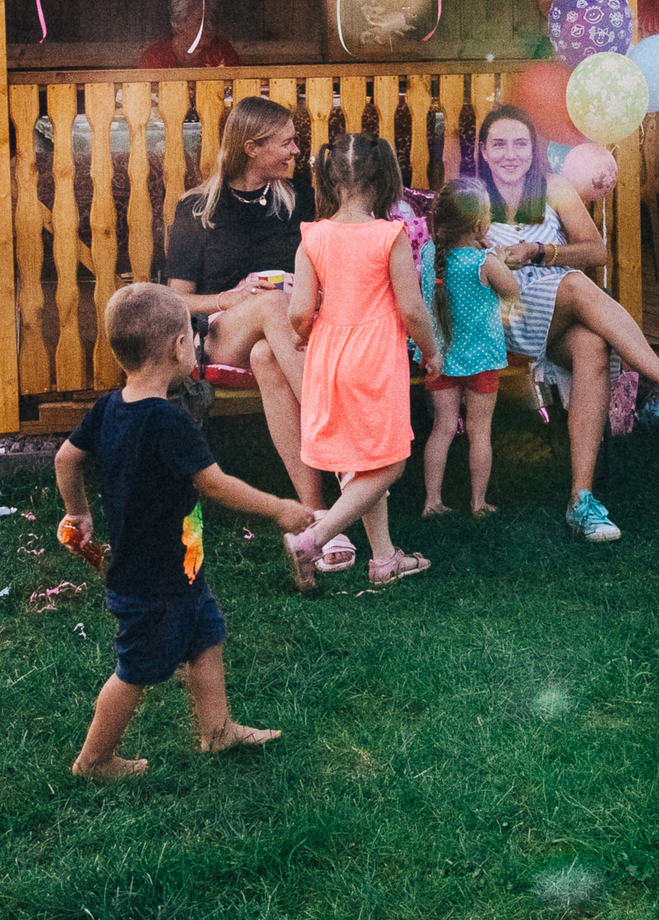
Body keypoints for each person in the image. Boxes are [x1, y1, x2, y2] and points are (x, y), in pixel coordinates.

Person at [57, 282, 314, 780]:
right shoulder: (167, 421)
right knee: (135, 671)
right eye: (192, 339)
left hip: (178, 568)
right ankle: (94, 759)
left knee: (206, 638)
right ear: (180, 347)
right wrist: (280, 508)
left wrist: (77, 512)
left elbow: (66, 459)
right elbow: (215, 484)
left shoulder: (110, 407)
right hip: (154, 582)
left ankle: (217, 732)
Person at [475, 105, 659, 544]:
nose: (510, 154)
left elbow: (596, 250)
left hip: (556, 308)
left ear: (533, 149)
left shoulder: (553, 188)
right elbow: (455, 259)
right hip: (503, 313)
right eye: (499, 145)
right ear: (484, 151)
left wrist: (540, 251)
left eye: (520, 144)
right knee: (577, 285)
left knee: (592, 347)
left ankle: (581, 500)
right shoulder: (472, 197)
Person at [154, 96, 348, 567]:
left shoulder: (298, 199)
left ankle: (317, 516)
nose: (296, 151)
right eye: (286, 142)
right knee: (269, 304)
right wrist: (231, 297)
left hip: (284, 334)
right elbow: (176, 300)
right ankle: (343, 453)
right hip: (222, 332)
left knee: (268, 358)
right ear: (251, 147)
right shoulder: (198, 208)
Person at [281, 134, 447, 589]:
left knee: (361, 461)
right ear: (384, 180)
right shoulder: (389, 235)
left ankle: (384, 558)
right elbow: (412, 309)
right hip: (374, 358)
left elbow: (299, 310)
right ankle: (313, 540)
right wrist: (431, 351)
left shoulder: (312, 236)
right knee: (389, 463)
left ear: (329, 180)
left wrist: (301, 335)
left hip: (328, 354)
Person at [417, 179, 521, 517]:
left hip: (441, 358)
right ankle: (478, 503)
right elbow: (512, 291)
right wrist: (496, 256)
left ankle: (432, 501)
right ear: (478, 223)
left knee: (442, 428)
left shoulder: (429, 254)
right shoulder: (483, 262)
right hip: (482, 360)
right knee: (479, 431)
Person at [137, 0, 242, 70]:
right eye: (200, 21)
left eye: (212, 21)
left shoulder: (222, 51)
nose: (210, 26)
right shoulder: (156, 56)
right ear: (179, 23)